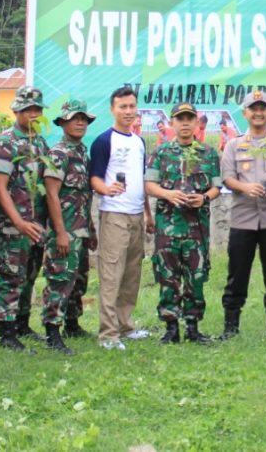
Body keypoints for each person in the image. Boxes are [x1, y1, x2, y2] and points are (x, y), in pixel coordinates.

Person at [219, 90, 266, 338]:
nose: (258, 113)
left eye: (263, 108)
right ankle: (231, 327)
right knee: (237, 274)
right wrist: (244, 187)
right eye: (253, 108)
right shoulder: (234, 145)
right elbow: (227, 178)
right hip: (243, 219)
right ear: (245, 114)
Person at [145, 102, 222, 344]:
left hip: (196, 228)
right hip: (168, 227)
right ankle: (170, 328)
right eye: (180, 119)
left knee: (196, 277)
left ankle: (192, 327)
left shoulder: (208, 153)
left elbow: (217, 186)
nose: (185, 123)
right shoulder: (162, 152)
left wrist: (204, 197)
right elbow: (149, 185)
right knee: (167, 276)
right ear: (172, 123)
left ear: (197, 122)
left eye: (190, 118)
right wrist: (168, 194)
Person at [90, 86, 153, 350]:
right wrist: (106, 189)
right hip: (114, 215)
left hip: (137, 215)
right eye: (122, 107)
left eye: (131, 106)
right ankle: (108, 334)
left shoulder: (139, 142)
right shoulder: (105, 141)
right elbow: (94, 177)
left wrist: (148, 214)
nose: (128, 112)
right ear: (112, 109)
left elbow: (141, 180)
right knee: (112, 274)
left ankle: (126, 326)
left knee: (131, 273)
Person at [0, 86, 51, 352]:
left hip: (36, 225)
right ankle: (6, 332)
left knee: (30, 274)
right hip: (15, 226)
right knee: (11, 275)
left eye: (37, 110)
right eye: (28, 110)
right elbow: (0, 186)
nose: (33, 114)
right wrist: (18, 222)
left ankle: (22, 324)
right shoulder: (6, 142)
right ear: (16, 111)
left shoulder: (39, 142)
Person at [41, 99, 98, 355]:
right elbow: (52, 194)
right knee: (60, 280)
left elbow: (84, 197)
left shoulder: (82, 152)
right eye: (75, 118)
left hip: (81, 229)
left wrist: (91, 228)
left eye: (84, 119)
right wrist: (60, 232)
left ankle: (72, 324)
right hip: (64, 231)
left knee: (78, 280)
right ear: (63, 122)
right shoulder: (58, 154)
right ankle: (52, 332)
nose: (80, 123)